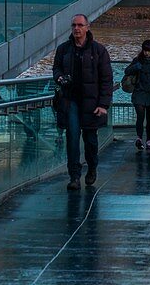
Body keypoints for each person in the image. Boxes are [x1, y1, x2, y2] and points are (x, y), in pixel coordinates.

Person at [52, 14, 113, 190]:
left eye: (80, 25)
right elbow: (56, 69)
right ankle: (74, 176)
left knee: (90, 139)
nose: (76, 29)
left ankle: (92, 167)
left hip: (92, 103)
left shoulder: (98, 50)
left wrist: (103, 104)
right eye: (73, 25)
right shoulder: (63, 49)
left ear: (87, 27)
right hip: (70, 101)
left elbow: (106, 79)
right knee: (72, 138)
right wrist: (60, 77)